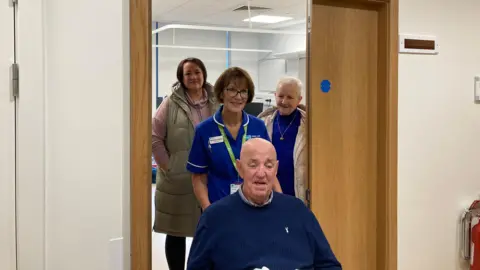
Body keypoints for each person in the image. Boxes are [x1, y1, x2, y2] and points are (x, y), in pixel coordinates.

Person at [186, 138, 342, 270]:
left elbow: (329, 266)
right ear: (240, 169)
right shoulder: (214, 218)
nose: (261, 173)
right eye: (253, 165)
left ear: (276, 170)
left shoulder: (298, 211)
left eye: (268, 166)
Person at [151, 57, 218, 270]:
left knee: (210, 230)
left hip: (211, 176)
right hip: (178, 179)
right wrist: (169, 165)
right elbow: (154, 136)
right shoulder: (171, 102)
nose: (193, 77)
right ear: (181, 78)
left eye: (197, 72)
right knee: (176, 232)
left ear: (204, 74)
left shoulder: (217, 101)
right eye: (188, 73)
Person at [186, 67, 282, 211]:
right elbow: (198, 177)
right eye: (232, 90)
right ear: (221, 93)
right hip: (219, 208)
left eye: (243, 91)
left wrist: (281, 205)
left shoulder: (258, 126)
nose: (238, 96)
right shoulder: (205, 130)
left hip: (255, 207)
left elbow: (269, 169)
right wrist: (208, 210)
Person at [258, 76, 308, 203]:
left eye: (290, 97)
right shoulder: (262, 123)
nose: (284, 101)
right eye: (280, 96)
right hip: (267, 195)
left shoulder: (309, 126)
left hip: (298, 195)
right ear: (275, 95)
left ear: (299, 99)